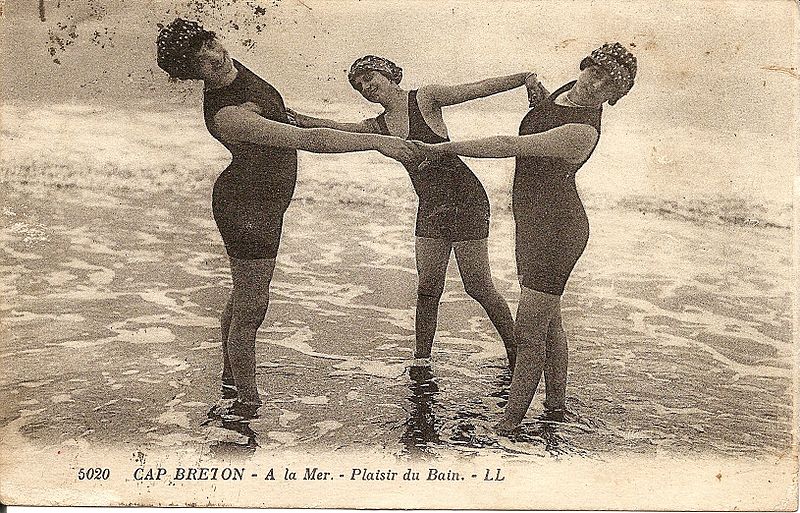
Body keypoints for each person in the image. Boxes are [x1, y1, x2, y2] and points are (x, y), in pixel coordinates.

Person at [156, 19, 416, 418]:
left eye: (210, 43)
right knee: (252, 307)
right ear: (192, 74)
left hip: (266, 201)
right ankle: (246, 402)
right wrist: (382, 143)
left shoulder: (232, 71)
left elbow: (286, 116)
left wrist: (305, 115)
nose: (214, 56)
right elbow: (309, 142)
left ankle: (231, 375)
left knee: (243, 295)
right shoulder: (227, 113)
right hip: (247, 207)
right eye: (201, 62)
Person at [414, 43, 637, 432]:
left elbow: (508, 146)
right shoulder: (565, 92)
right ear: (584, 66)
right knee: (550, 324)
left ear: (616, 97)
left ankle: (508, 427)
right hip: (531, 226)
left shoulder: (582, 131)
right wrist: (532, 85)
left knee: (529, 334)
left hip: (557, 231)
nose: (594, 84)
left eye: (607, 85)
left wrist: (444, 149)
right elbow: (545, 106)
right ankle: (555, 408)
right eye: (594, 71)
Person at [290, 56, 547, 373]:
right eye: (359, 87)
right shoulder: (377, 127)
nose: (366, 88)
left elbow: (476, 89)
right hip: (430, 204)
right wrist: (299, 119)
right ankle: (421, 362)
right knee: (427, 288)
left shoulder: (425, 99)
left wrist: (524, 76)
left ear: (388, 74)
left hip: (466, 199)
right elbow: (339, 129)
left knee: (478, 286)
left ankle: (516, 353)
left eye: (370, 78)